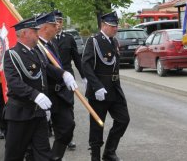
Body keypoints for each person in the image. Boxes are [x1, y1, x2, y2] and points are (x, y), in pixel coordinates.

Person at [3, 16, 76, 161]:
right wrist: (35, 95)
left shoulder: (36, 52)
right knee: (14, 154)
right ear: (24, 33)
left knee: (43, 154)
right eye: (34, 31)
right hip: (20, 114)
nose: (38, 33)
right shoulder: (12, 54)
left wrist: (64, 74)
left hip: (38, 114)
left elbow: (47, 68)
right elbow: (13, 82)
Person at [81, 11, 130, 161]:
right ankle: (95, 156)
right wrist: (96, 86)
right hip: (100, 89)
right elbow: (86, 64)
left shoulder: (114, 41)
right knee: (97, 124)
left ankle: (109, 151)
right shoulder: (93, 41)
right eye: (112, 26)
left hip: (115, 87)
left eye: (116, 26)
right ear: (103, 25)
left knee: (123, 119)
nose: (116, 29)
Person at [36, 12, 77, 161]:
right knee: (39, 137)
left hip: (60, 95)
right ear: (45, 27)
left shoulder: (51, 43)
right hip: (45, 95)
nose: (58, 27)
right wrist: (63, 74)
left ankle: (55, 157)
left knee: (67, 127)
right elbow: (45, 67)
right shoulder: (36, 46)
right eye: (54, 25)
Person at [52, 10, 86, 150]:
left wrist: (84, 76)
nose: (58, 25)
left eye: (60, 22)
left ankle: (68, 138)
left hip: (67, 79)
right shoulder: (47, 40)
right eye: (55, 22)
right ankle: (58, 134)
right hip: (53, 78)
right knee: (54, 109)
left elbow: (77, 58)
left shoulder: (69, 38)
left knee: (68, 108)